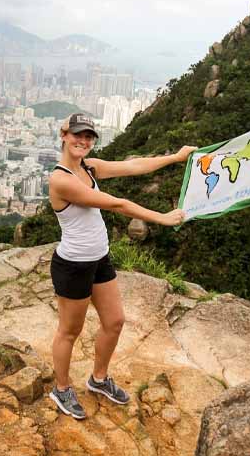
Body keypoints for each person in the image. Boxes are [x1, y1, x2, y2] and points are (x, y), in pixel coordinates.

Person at [46, 113, 196, 419]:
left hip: (99, 258)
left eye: (88, 137)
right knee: (69, 331)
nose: (83, 141)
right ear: (64, 135)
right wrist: (163, 217)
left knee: (114, 321)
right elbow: (117, 204)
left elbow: (133, 165)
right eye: (77, 135)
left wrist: (176, 157)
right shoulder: (60, 179)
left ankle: (98, 379)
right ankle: (61, 388)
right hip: (73, 265)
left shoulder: (90, 167)